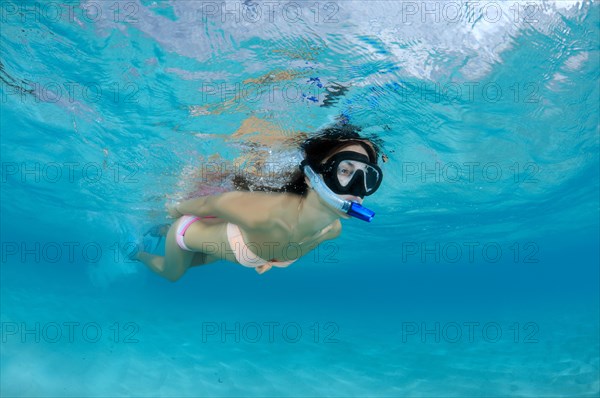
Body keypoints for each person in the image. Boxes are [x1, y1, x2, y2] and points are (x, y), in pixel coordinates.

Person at [128, 124, 384, 281]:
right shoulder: (266, 214)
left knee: (205, 258)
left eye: (368, 177)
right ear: (312, 177)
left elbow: (292, 243)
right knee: (174, 273)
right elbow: (211, 205)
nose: (357, 189)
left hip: (236, 244)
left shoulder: (332, 229)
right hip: (187, 231)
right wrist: (174, 209)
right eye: (346, 171)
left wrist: (272, 258)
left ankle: (158, 232)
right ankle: (138, 253)